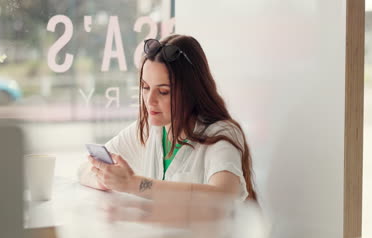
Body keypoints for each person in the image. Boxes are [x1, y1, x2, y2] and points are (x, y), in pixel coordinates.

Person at [81, 34, 257, 205]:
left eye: (163, 91)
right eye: (145, 87)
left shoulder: (221, 133)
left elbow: (222, 197)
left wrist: (133, 184)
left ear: (192, 91)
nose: (150, 101)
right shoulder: (148, 130)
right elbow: (83, 169)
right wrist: (107, 179)